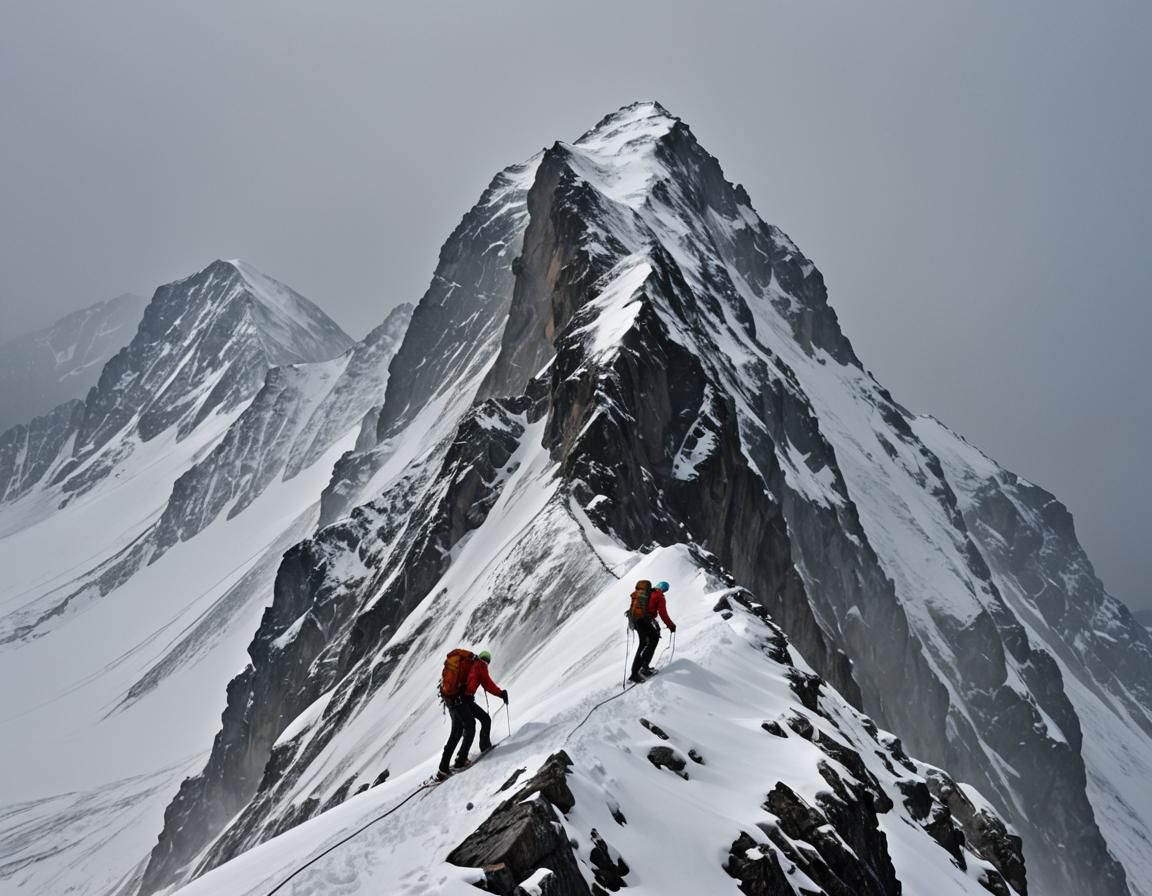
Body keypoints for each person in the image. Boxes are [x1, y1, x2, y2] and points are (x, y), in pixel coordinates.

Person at [438, 649, 508, 781]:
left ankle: (443, 768)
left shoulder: (467, 662)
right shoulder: (480, 666)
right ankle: (461, 760)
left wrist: (467, 695)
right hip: (461, 700)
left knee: (460, 730)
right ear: (487, 661)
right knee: (470, 726)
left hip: (452, 699)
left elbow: (472, 679)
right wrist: (500, 693)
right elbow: (486, 683)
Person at [629, 580, 676, 684]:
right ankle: (643, 669)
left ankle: (635, 673)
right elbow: (663, 614)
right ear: (664, 589)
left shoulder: (647, 592)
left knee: (643, 644)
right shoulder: (659, 596)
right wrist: (671, 626)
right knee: (653, 639)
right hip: (643, 621)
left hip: (635, 620)